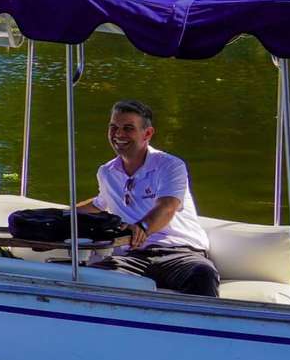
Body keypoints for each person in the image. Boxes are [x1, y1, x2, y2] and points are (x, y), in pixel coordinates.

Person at [79, 100, 220, 297]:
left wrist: (142, 228)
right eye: (114, 127)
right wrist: (57, 216)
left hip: (179, 253)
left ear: (147, 134)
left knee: (202, 274)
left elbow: (167, 206)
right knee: (90, 278)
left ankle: (201, 318)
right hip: (132, 257)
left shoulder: (170, 166)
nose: (118, 134)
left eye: (128, 128)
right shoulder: (106, 172)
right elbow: (99, 203)